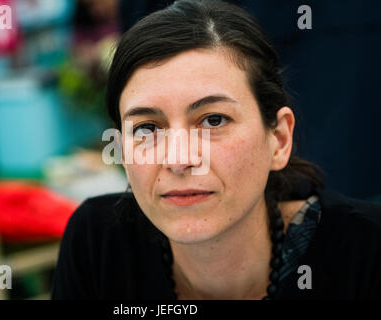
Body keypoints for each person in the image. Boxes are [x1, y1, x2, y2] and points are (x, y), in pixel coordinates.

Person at [52, 0, 381, 299]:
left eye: (213, 121)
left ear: (279, 139)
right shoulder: (97, 244)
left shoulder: (363, 252)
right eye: (147, 128)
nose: (179, 159)